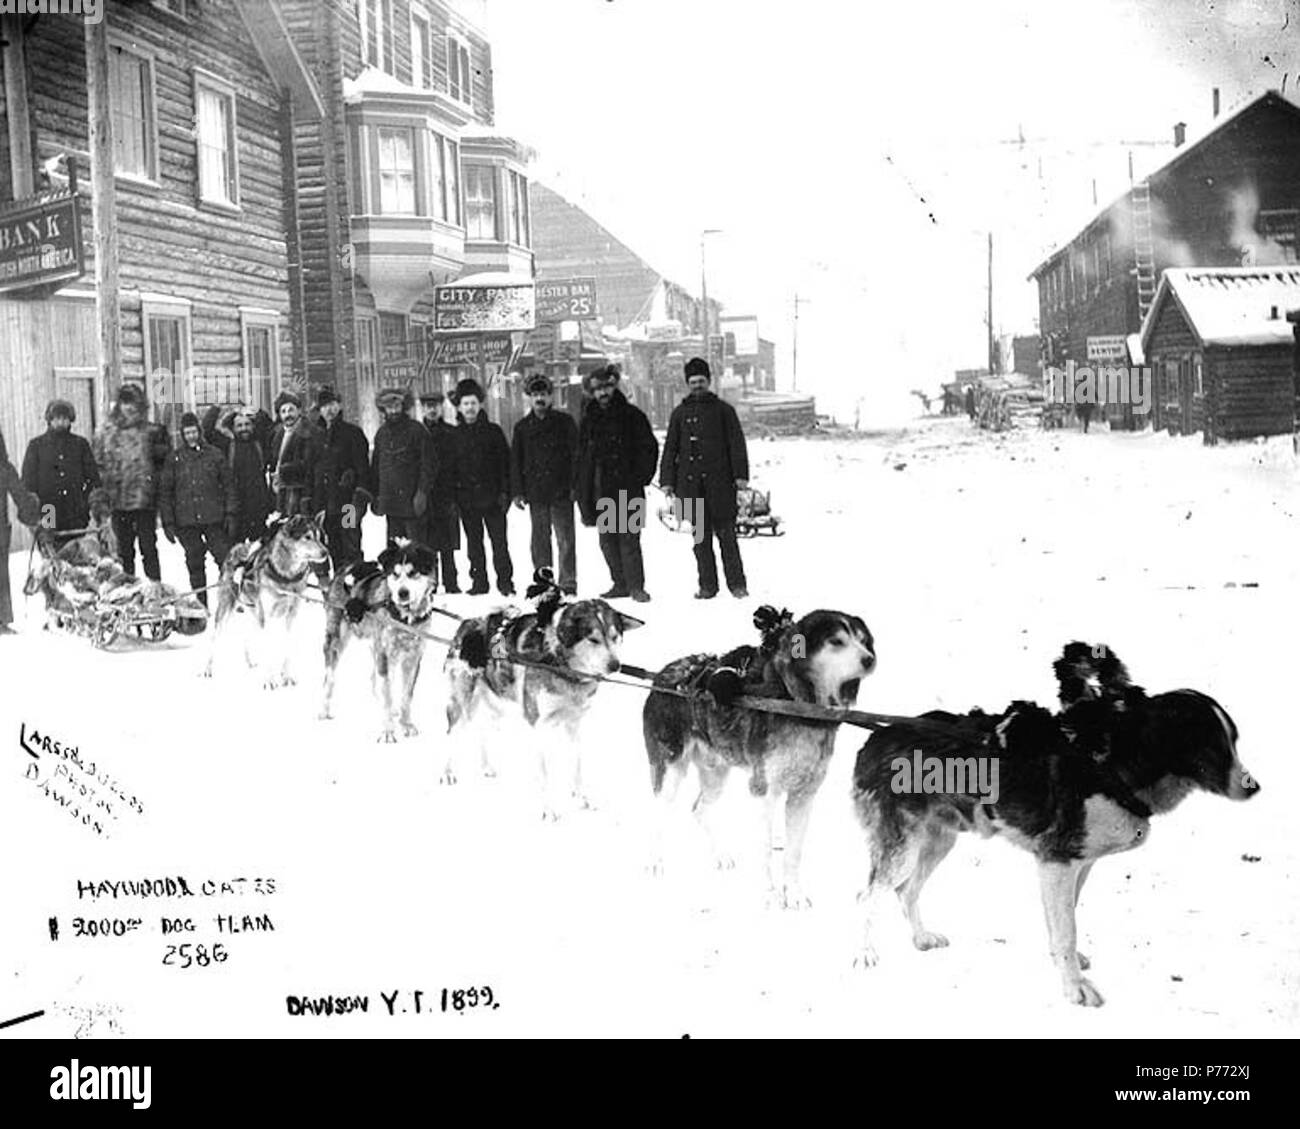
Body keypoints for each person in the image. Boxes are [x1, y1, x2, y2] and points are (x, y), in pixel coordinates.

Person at [660, 357, 750, 599]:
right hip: (691, 488)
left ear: (709, 381)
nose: (697, 385)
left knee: (728, 539)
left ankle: (737, 585)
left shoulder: (724, 411)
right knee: (700, 541)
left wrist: (741, 476)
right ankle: (707, 586)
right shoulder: (679, 414)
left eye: (701, 381)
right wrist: (667, 480)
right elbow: (671, 449)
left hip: (720, 487)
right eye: (693, 382)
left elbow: (737, 445)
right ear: (687, 384)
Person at [576, 363, 658, 603]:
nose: (603, 393)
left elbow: (649, 448)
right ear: (591, 392)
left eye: (607, 387)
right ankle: (619, 583)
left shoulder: (633, 416)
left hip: (628, 487)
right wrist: (582, 486)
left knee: (629, 539)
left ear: (615, 387)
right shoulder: (588, 420)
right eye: (598, 389)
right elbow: (581, 456)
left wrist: (641, 477)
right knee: (608, 541)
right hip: (601, 489)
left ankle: (636, 587)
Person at [92, 384, 170, 580]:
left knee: (149, 548)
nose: (130, 407)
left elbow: (162, 466)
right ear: (119, 404)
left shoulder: (151, 431)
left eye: (133, 402)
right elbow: (98, 467)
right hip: (117, 501)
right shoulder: (106, 432)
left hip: (145, 500)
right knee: (123, 551)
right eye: (125, 402)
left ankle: (155, 589)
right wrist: (100, 504)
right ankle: (127, 591)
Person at [511, 373, 579, 595]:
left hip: (561, 491)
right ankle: (544, 582)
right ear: (529, 398)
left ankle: (568, 582)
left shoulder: (565, 423)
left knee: (566, 540)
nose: (540, 399)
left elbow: (576, 456)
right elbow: (516, 461)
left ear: (551, 396)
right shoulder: (522, 428)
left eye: (544, 394)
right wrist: (518, 492)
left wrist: (574, 485)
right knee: (540, 541)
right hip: (536, 492)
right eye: (535, 394)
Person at [158, 412, 233, 608]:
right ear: (182, 435)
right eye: (187, 433)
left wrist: (230, 513)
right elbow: (166, 493)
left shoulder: (214, 455)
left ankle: (230, 600)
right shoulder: (174, 459)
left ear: (199, 432)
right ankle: (201, 605)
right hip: (186, 521)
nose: (191, 436)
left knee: (224, 559)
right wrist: (168, 522)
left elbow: (228, 486)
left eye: (194, 432)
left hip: (213, 518)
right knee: (194, 561)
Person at [449, 379, 513, 596]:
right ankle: (479, 582)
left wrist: (505, 492)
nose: (470, 408)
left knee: (500, 543)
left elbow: (505, 464)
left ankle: (505, 582)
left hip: (493, 499)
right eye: (465, 404)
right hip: (467, 501)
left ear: (480, 405)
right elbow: (452, 471)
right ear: (459, 407)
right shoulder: (455, 436)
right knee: (474, 545)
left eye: (473, 403)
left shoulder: (493, 432)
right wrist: (456, 497)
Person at [21, 398, 99, 534]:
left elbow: (93, 476)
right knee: (51, 548)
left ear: (70, 420)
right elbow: (28, 480)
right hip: (48, 508)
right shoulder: (36, 446)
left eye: (65, 418)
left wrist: (85, 500)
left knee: (76, 548)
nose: (61, 422)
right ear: (49, 420)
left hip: (75, 510)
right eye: (56, 418)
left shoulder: (80, 444)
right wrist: (33, 508)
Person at [370, 387, 436, 545]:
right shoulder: (381, 434)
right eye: (389, 407)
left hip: (413, 505)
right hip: (391, 506)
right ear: (383, 409)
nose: (393, 411)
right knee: (394, 554)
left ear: (403, 406)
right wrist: (375, 496)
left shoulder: (417, 430)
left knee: (418, 551)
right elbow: (376, 467)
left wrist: (422, 492)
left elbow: (429, 464)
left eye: (397, 406)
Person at [315, 387, 370, 568]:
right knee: (334, 546)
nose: (329, 410)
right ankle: (340, 588)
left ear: (339, 405)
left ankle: (356, 586)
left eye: (332, 404)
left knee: (351, 544)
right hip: (328, 505)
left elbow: (363, 468)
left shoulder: (352, 433)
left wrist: (359, 497)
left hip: (348, 503)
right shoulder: (318, 436)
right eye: (324, 406)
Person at [0, 425, 44, 635]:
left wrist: (34, 519)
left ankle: (1, 620)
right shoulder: (4, 468)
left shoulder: (4, 468)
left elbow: (21, 496)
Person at [419, 391, 461, 593]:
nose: (432, 410)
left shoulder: (452, 433)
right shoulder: (417, 433)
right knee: (428, 543)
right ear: (422, 409)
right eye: (428, 406)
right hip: (425, 494)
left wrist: (455, 493)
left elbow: (458, 466)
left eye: (435, 405)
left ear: (442, 407)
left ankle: (452, 582)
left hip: (446, 493)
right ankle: (432, 583)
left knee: (447, 542)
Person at [220, 408, 273, 544]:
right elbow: (208, 428)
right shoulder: (227, 446)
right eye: (239, 425)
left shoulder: (259, 443)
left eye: (247, 424)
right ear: (233, 428)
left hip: (258, 508)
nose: (244, 428)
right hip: (237, 509)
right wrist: (231, 413)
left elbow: (269, 425)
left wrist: (257, 411)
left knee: (260, 551)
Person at [266, 390, 321, 516]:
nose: (287, 415)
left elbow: (309, 464)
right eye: (283, 411)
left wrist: (284, 471)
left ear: (299, 411)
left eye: (291, 410)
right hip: (281, 493)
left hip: (302, 493)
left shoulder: (310, 433)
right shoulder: (277, 434)